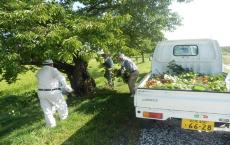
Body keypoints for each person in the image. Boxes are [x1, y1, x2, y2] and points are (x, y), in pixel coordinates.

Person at [36, 59, 73, 127]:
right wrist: (66, 87)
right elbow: (61, 78)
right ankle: (64, 119)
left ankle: (51, 125)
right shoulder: (53, 70)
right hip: (52, 91)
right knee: (61, 105)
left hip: (41, 92)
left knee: (47, 109)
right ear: (51, 64)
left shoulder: (39, 71)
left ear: (43, 65)